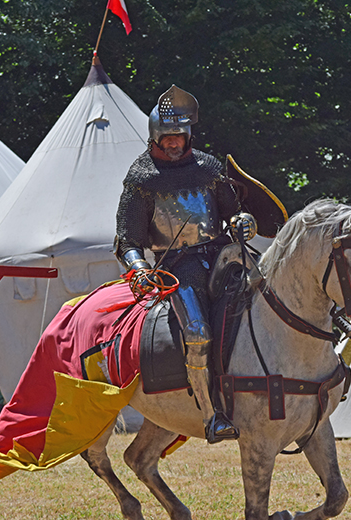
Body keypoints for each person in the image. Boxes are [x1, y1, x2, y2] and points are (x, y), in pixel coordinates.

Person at [114, 85, 257, 444]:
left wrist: (243, 221)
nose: (176, 142)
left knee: (267, 297)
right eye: (168, 137)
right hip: (177, 267)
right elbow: (127, 241)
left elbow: (232, 212)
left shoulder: (208, 168)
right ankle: (210, 416)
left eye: (180, 135)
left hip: (222, 255)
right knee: (197, 332)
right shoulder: (142, 179)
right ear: (156, 138)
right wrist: (141, 268)